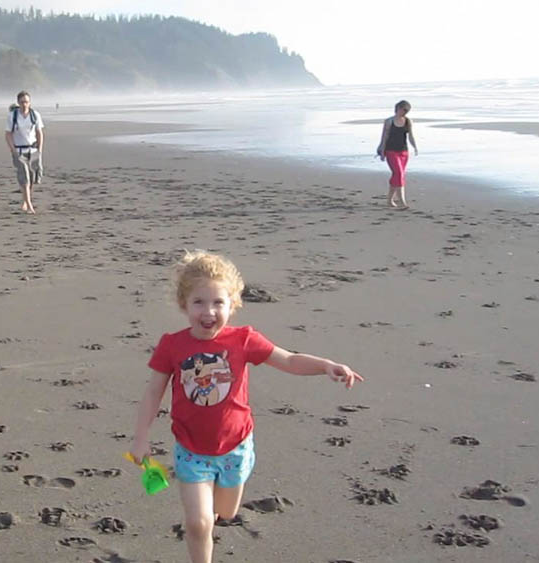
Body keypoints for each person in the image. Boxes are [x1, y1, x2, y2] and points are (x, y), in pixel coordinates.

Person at [129, 251, 364, 563]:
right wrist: (141, 436)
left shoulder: (243, 340)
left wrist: (326, 365)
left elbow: (289, 360)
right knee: (198, 523)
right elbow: (152, 393)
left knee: (225, 512)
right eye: (199, 302)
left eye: (218, 303)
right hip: (191, 450)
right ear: (184, 304)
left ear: (232, 305)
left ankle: (216, 507)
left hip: (235, 448)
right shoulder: (172, 345)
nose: (209, 311)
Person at [4, 90, 44, 214]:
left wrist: (40, 149)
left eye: (26, 102)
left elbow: (39, 132)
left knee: (32, 178)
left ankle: (25, 201)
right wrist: (13, 149)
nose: (24, 104)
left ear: (29, 102)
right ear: (18, 103)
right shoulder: (13, 116)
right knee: (24, 178)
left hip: (32, 149)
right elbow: (8, 134)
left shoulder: (35, 115)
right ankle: (30, 205)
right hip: (19, 150)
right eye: (22, 102)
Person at [377, 100, 419, 209]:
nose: (404, 113)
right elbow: (384, 136)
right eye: (403, 110)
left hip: (403, 152)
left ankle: (389, 200)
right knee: (399, 173)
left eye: (406, 111)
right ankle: (402, 201)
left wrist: (415, 146)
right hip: (391, 151)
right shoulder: (389, 121)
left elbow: (410, 136)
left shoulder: (408, 121)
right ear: (398, 108)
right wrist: (382, 150)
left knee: (398, 175)